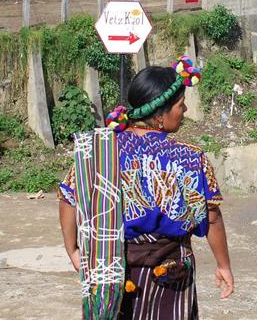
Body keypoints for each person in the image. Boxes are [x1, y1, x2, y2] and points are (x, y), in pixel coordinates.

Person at [58, 58, 234, 319]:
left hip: (116, 272)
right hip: (173, 274)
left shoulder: (99, 151)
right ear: (160, 114)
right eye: (179, 105)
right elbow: (211, 216)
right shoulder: (190, 157)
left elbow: (68, 197)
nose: (184, 110)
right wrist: (224, 265)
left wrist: (72, 249)